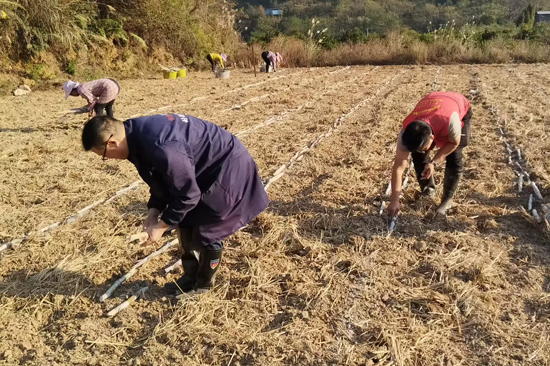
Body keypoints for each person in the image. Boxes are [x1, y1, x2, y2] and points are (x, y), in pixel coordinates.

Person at [81, 114, 269, 295]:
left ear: (111, 143)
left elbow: (188, 195)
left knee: (207, 226)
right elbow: (161, 178)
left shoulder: (161, 146)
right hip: (202, 167)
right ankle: (190, 277)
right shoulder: (135, 135)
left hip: (226, 167)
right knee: (185, 219)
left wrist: (161, 227)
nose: (109, 159)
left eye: (104, 155)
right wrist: (153, 214)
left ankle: (203, 285)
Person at [388, 91, 472, 217]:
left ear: (432, 138)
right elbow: (399, 167)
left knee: (454, 156)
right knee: (418, 156)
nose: (422, 150)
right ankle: (428, 192)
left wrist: (433, 162)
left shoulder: (450, 120)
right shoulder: (406, 131)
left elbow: (453, 143)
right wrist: (394, 200)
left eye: (424, 147)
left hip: (456, 105)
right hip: (432, 103)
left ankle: (447, 200)